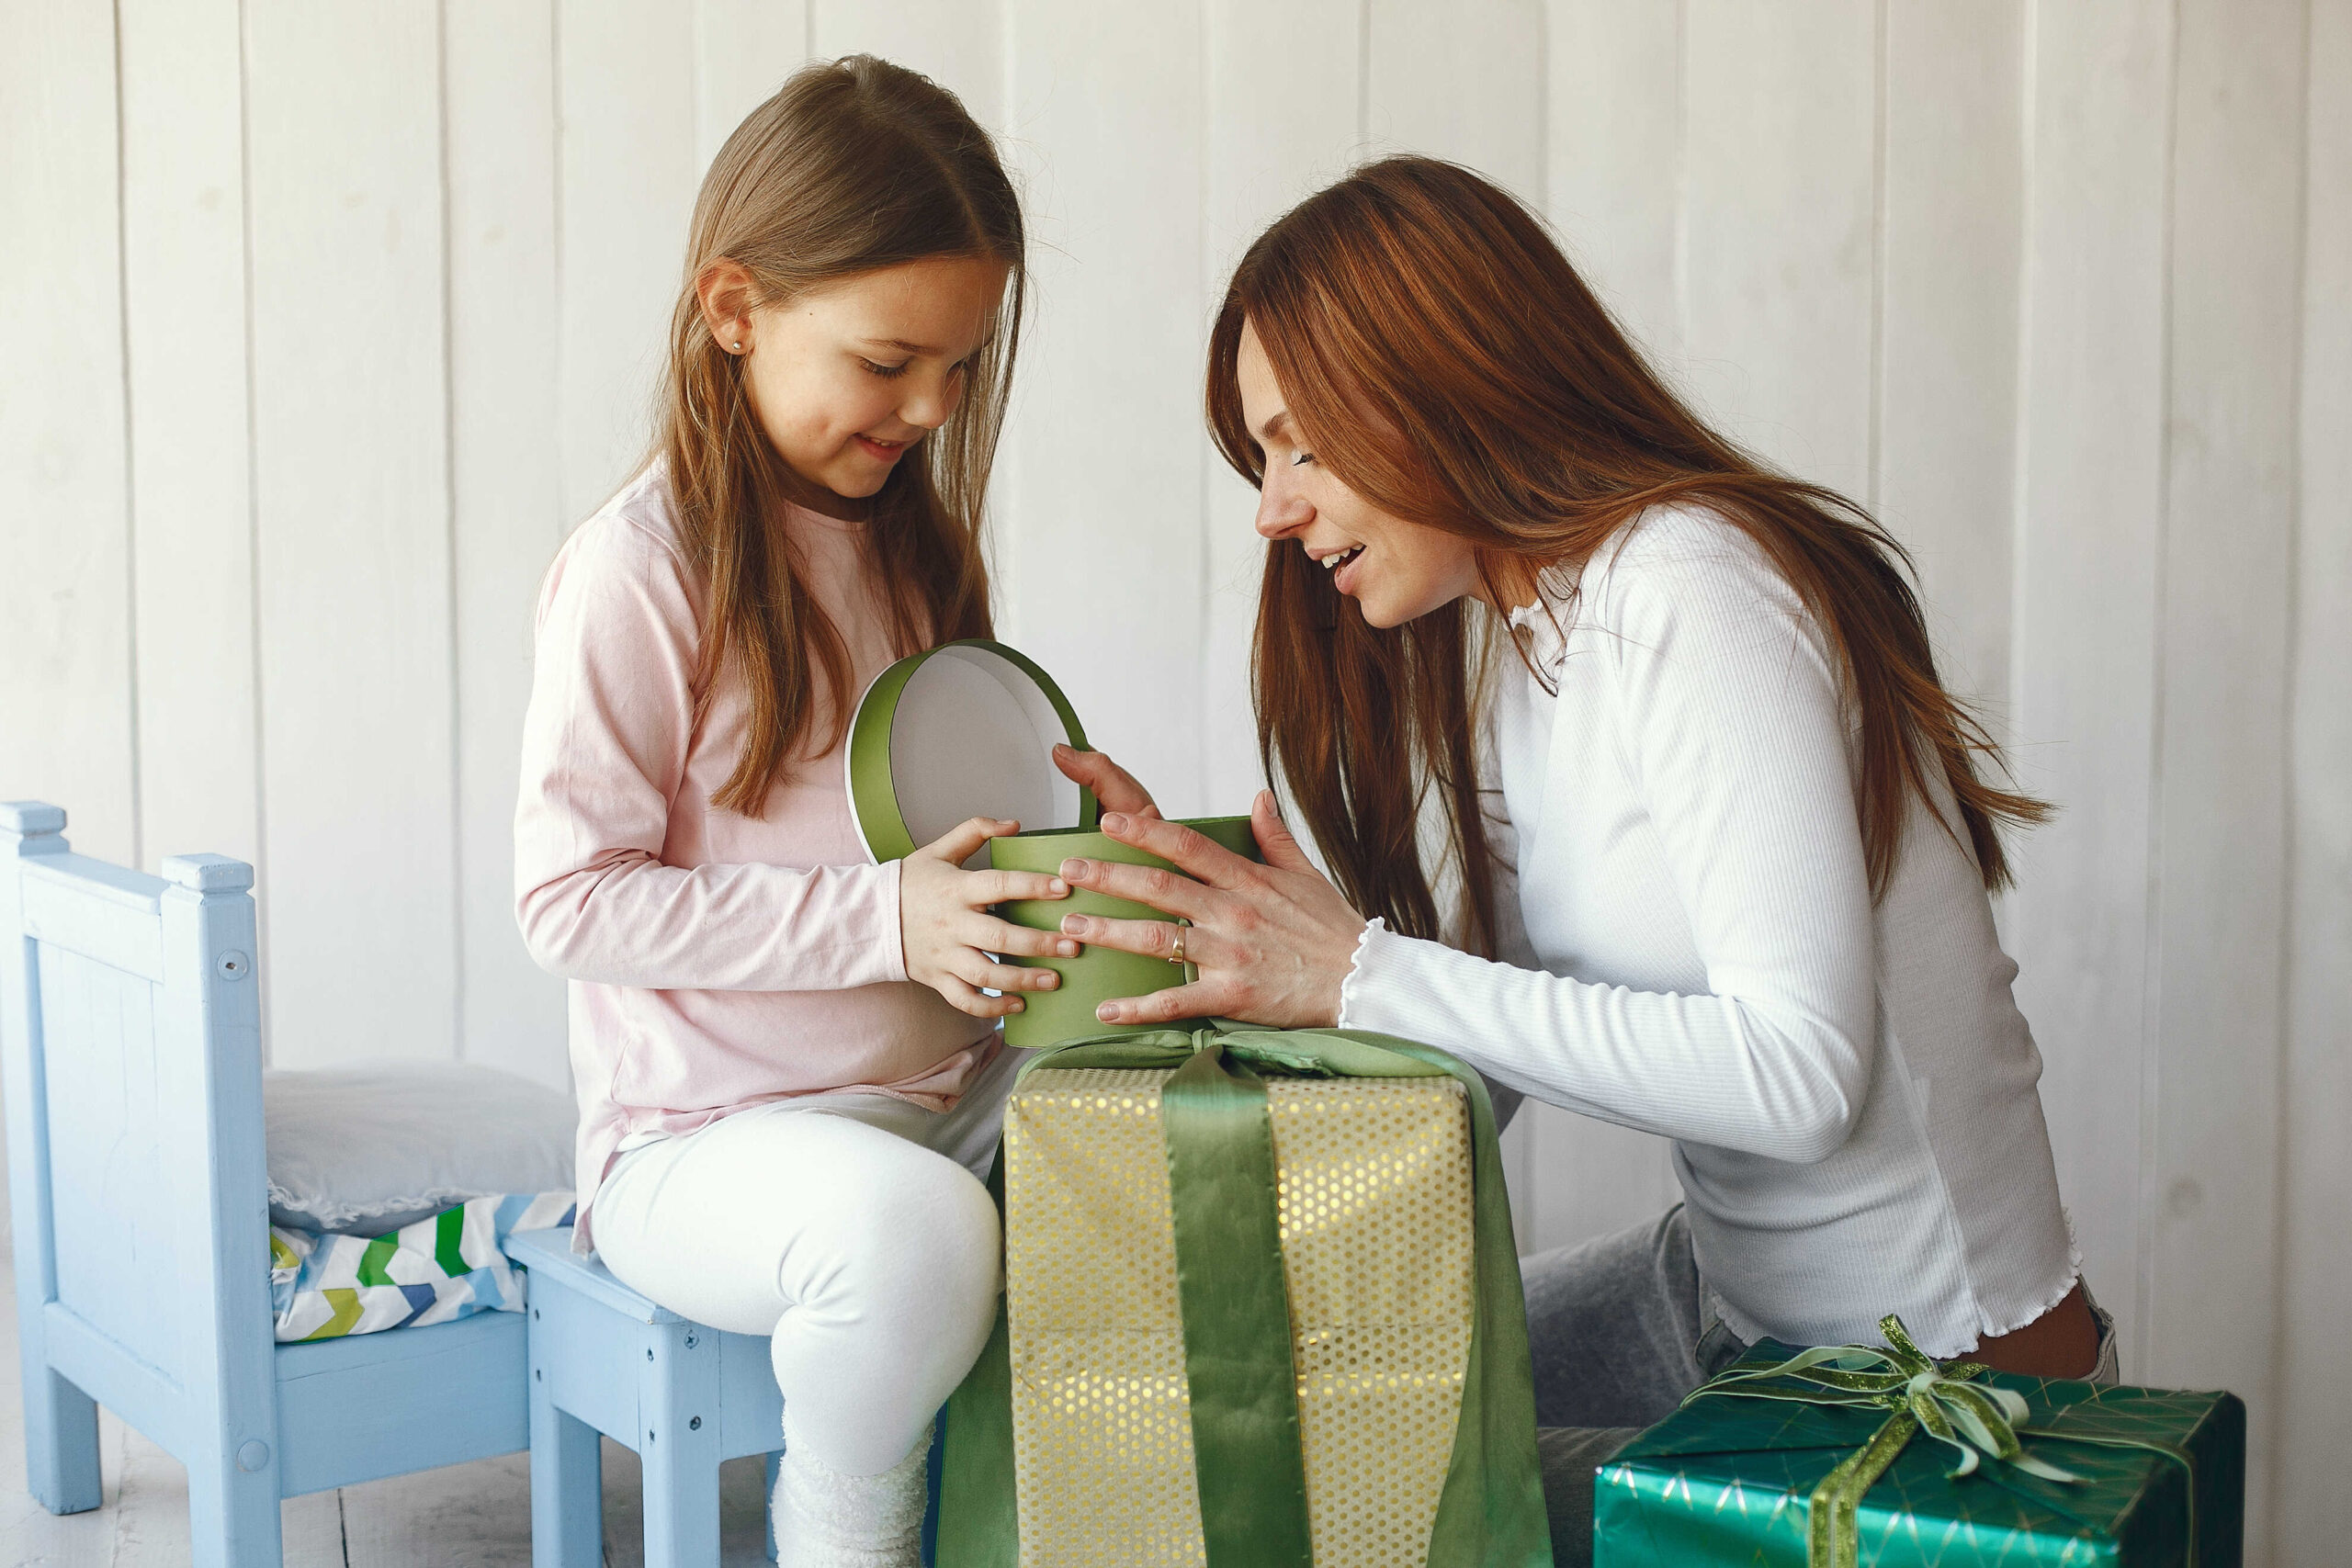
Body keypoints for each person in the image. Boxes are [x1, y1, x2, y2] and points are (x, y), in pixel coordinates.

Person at [1047, 156, 2109, 1562]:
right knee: (1265, 1401)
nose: (1273, 510)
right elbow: (1485, 1052)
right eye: (1262, 459)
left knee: (1337, 1505)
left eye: (1302, 444)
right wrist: (1236, 970)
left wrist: (1355, 974)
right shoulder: (1529, 640)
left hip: (1932, 1403)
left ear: (1435, 380)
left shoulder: (1693, 590)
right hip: (1730, 1309)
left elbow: (1796, 1081)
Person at [513, 58, 1070, 1568]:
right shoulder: (640, 571)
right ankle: (846, 1534)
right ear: (734, 307)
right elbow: (571, 900)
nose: (932, 406)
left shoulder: (913, 551)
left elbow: (944, 840)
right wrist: (886, 917)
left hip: (953, 1091)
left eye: (960, 367)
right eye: (891, 360)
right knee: (918, 1245)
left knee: (1204, 1122)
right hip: (709, 1144)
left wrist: (1073, 876)